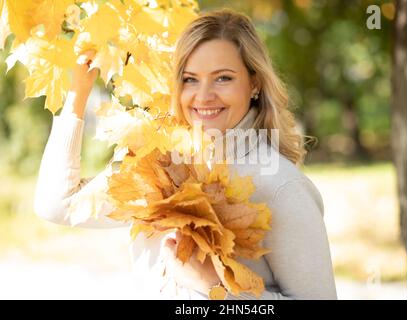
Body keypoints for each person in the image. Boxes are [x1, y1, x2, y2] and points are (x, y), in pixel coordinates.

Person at [33, 9, 337, 299]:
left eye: (223, 78)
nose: (203, 96)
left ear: (254, 83)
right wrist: (76, 96)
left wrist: (214, 286)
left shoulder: (281, 186)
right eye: (190, 79)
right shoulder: (157, 163)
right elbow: (58, 204)